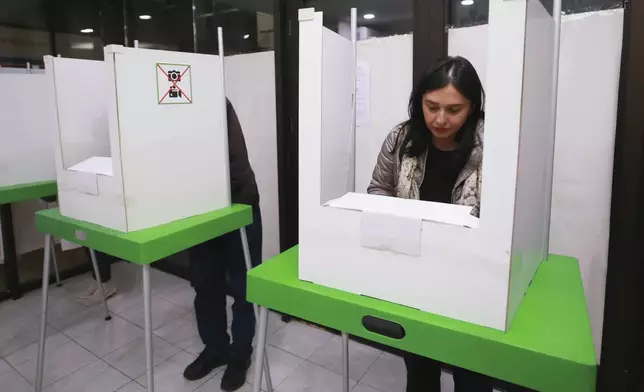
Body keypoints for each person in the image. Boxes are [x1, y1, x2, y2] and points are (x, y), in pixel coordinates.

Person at [367, 56, 491, 392]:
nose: (440, 118)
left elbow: (505, 215)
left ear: (473, 107)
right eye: (431, 106)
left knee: (472, 372)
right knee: (419, 368)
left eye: (454, 110)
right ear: (419, 101)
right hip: (415, 273)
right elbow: (378, 190)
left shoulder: (494, 145)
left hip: (471, 279)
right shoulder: (402, 138)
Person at [182, 99, 262, 392]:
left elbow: (234, 162)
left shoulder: (214, 100)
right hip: (200, 208)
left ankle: (241, 354)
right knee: (205, 283)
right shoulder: (168, 112)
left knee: (244, 287)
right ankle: (215, 348)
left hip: (238, 203)